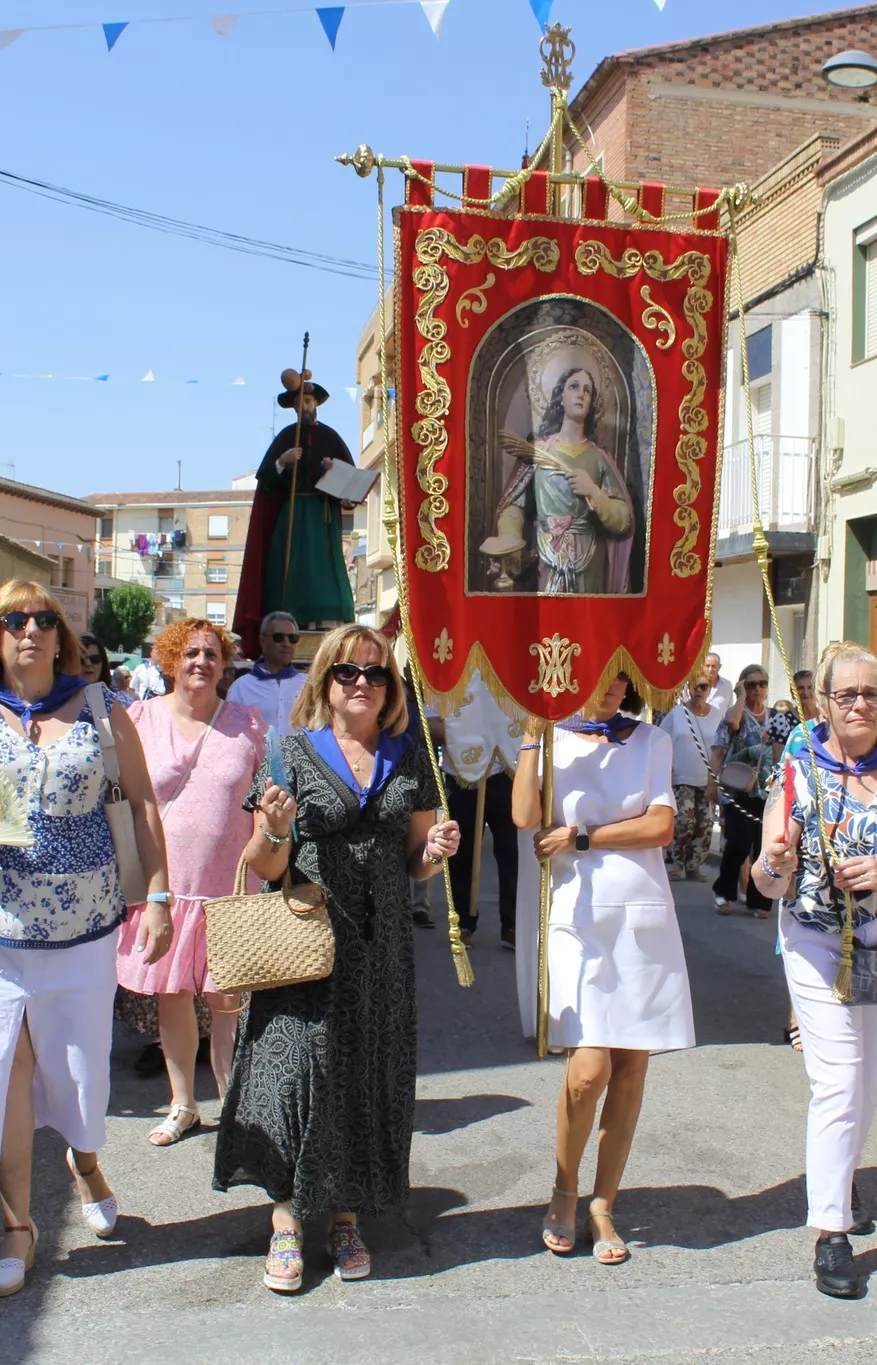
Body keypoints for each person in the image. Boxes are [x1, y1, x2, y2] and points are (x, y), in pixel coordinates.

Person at [0, 582, 175, 1296]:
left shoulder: (101, 709)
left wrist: (158, 894)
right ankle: (18, 1225)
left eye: (43, 620)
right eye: (14, 620)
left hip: (82, 931)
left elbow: (145, 804)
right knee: (6, 1071)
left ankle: (85, 1161)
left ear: (61, 636)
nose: (29, 630)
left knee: (80, 1075)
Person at [214, 624, 460, 1294]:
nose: (361, 683)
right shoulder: (289, 751)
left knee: (360, 1070)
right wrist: (273, 827)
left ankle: (345, 1215)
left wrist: (435, 852)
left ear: (391, 690)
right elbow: (260, 863)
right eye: (347, 672)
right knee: (297, 1066)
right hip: (305, 934)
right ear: (324, 680)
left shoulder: (412, 753)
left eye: (375, 674)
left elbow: (416, 863)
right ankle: (288, 1220)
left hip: (380, 948)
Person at [752, 642, 877, 1300]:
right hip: (815, 938)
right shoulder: (798, 763)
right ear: (823, 702)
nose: (863, 705)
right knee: (838, 1077)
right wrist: (776, 863)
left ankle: (839, 1181)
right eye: (848, 695)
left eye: (875, 694)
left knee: (868, 1081)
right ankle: (831, 1232)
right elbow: (764, 875)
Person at [515, 674, 691, 1266]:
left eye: (621, 678)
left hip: (642, 913)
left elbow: (661, 825)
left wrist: (583, 836)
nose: (610, 689)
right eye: (599, 677)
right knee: (589, 1070)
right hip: (577, 914)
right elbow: (523, 814)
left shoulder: (650, 741)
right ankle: (564, 1190)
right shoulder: (553, 738)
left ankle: (603, 1203)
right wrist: (532, 735)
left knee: (632, 1068)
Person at [117, 618, 264, 1146]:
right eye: (191, 653)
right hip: (167, 889)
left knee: (228, 1002)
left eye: (212, 654)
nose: (201, 662)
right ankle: (183, 1104)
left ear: (224, 665)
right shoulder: (138, 718)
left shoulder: (248, 723)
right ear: (170, 659)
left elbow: (264, 799)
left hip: (230, 887)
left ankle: (233, 1106)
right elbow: (124, 797)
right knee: (172, 995)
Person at [484, 360, 636, 594]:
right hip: (546, 555)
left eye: (587, 391)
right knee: (546, 624)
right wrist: (509, 542)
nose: (581, 395)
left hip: (590, 559)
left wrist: (595, 493)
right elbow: (514, 506)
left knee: (586, 625)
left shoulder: (599, 458)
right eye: (574, 387)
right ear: (561, 397)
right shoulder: (539, 451)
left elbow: (623, 519)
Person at [232, 375, 357, 644]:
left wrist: (346, 495)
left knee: (324, 569)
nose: (305, 405)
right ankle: (286, 621)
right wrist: (282, 461)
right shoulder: (287, 436)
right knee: (288, 570)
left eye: (309, 400)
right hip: (291, 515)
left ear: (316, 404)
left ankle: (327, 621)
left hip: (322, 517)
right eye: (300, 401)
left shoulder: (330, 436)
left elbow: (349, 483)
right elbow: (267, 482)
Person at [432, 671, 525, 950]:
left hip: (508, 773)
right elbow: (432, 720)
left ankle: (512, 924)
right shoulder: (450, 669)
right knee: (460, 851)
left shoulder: (510, 666)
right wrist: (468, 737)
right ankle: (463, 922)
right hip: (463, 775)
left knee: (513, 852)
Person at [712, 664, 774, 915]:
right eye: (750, 684)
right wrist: (739, 697)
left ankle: (759, 900)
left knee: (763, 847)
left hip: (769, 792)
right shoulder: (736, 713)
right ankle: (723, 891)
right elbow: (730, 727)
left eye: (762, 684)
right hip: (739, 790)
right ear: (742, 686)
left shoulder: (774, 716)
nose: (757, 689)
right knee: (738, 843)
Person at [660, 674, 721, 881]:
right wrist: (665, 768)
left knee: (704, 823)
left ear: (710, 689)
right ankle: (677, 862)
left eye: (703, 687)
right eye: (695, 686)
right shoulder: (677, 714)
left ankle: (694, 865)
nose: (699, 691)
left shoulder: (717, 715)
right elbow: (661, 741)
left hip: (707, 778)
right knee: (684, 821)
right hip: (681, 776)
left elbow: (722, 745)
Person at [234, 612, 308, 737]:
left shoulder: (309, 686)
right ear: (262, 640)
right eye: (278, 637)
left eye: (292, 638)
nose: (286, 644)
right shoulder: (241, 687)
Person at [78, 633, 134, 707]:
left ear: (103, 662)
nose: (88, 663)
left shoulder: (114, 699)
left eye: (95, 659)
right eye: (82, 659)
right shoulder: (62, 697)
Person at [701, 652, 733, 723]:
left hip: (719, 730)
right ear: (702, 666)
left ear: (719, 667)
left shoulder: (727, 685)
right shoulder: (692, 685)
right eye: (707, 666)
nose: (710, 669)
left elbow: (729, 710)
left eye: (713, 666)